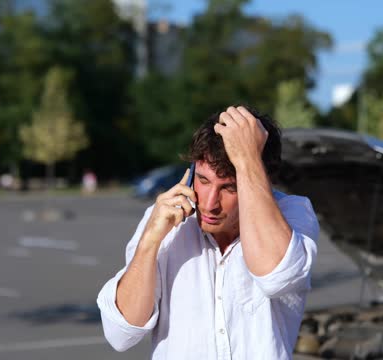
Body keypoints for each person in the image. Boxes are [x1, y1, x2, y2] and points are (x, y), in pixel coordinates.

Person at [97, 105, 319, 359]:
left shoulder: (293, 212)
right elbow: (120, 334)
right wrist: (150, 241)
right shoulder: (164, 220)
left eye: (229, 187)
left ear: (260, 177)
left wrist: (247, 158)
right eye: (203, 181)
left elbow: (277, 277)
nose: (211, 203)